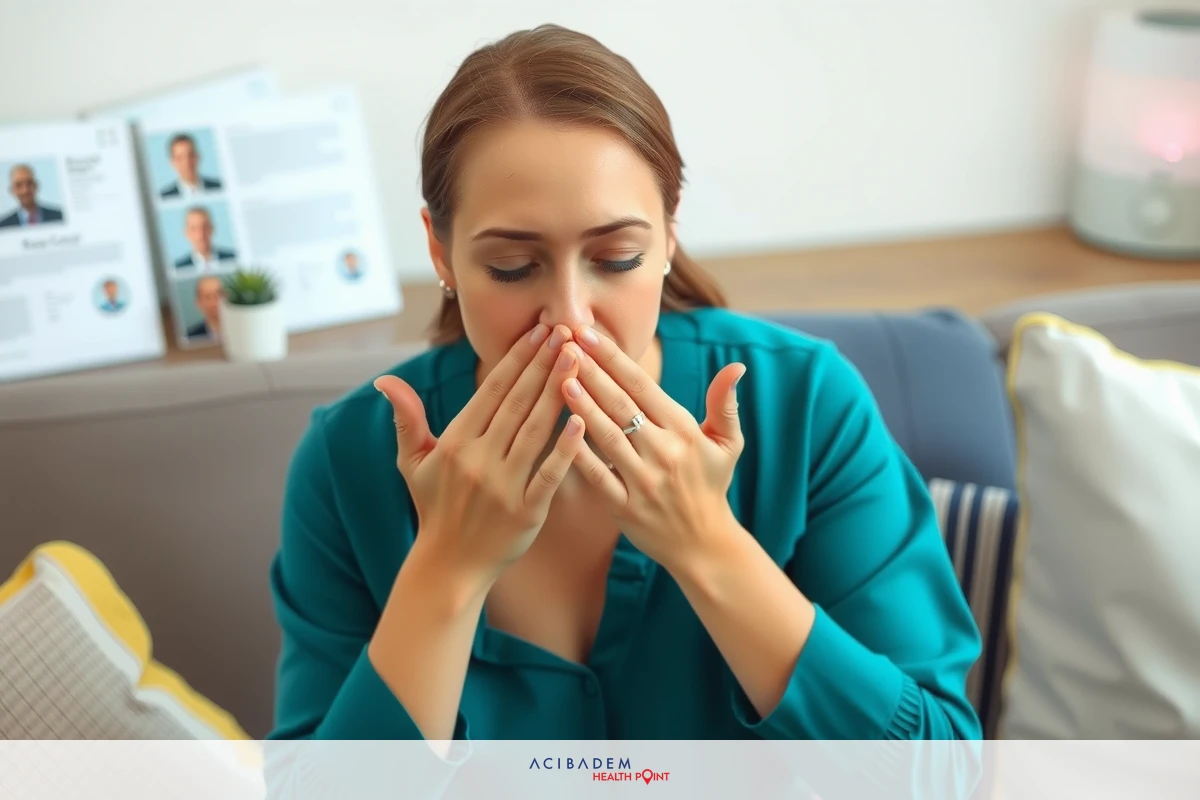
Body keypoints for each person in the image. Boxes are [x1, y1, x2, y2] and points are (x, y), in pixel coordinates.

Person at [268, 24, 982, 756]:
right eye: (513, 266)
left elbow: (934, 771)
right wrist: (446, 568)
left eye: (617, 257)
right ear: (439, 252)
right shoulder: (346, 461)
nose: (571, 319)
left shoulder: (809, 406)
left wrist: (707, 545)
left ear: (669, 236)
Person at [159, 133, 222, 198]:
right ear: (172, 162)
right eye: (180, 158)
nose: (187, 162)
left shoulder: (219, 187)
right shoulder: (165, 197)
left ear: (198, 157)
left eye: (190, 155)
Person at [0, 164, 64, 228]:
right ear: (12, 190)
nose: (25, 190)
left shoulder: (60, 217)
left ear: (36, 186)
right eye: (19, 185)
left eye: (29, 183)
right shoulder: (3, 226)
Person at [174, 207, 236, 271]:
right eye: (194, 229)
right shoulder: (178, 268)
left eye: (205, 227)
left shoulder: (234, 258)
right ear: (186, 233)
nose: (201, 234)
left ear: (212, 228)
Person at [187, 275, 223, 340]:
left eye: (218, 294)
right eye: (208, 297)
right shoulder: (191, 337)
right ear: (198, 303)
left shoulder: (242, 328)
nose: (215, 302)